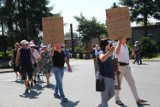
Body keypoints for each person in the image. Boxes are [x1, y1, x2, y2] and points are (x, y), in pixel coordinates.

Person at [114, 37, 147, 105]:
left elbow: (125, 57)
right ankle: (117, 99)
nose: (126, 39)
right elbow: (117, 52)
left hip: (126, 67)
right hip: (120, 67)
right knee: (118, 84)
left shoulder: (125, 45)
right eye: (124, 38)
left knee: (132, 82)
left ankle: (137, 99)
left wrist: (131, 55)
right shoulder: (117, 45)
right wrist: (119, 42)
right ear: (121, 38)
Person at [97, 38, 115, 107]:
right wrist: (110, 52)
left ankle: (101, 104)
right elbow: (102, 59)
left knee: (112, 93)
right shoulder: (101, 52)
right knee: (104, 97)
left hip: (110, 76)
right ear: (105, 45)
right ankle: (103, 104)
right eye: (108, 44)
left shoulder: (107, 53)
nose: (109, 45)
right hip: (103, 77)